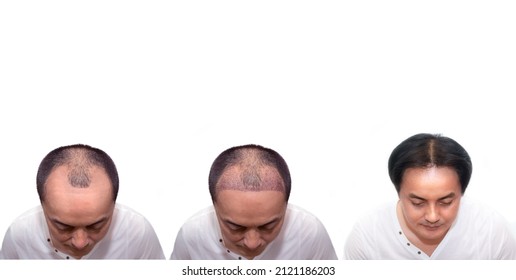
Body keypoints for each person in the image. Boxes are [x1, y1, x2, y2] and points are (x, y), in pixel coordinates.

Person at [344, 133, 516, 259]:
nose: (432, 216)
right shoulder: (368, 235)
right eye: (418, 203)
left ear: (462, 193)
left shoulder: (492, 231)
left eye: (446, 202)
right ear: (399, 193)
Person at [170, 144, 337, 260]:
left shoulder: (310, 232)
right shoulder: (192, 234)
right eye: (235, 227)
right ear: (215, 208)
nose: (252, 243)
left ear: (286, 207)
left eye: (268, 226)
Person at [0, 144, 165, 259]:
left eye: (96, 226)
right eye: (63, 227)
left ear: (113, 207)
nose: (80, 243)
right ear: (43, 208)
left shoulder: (137, 232)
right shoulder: (19, 235)